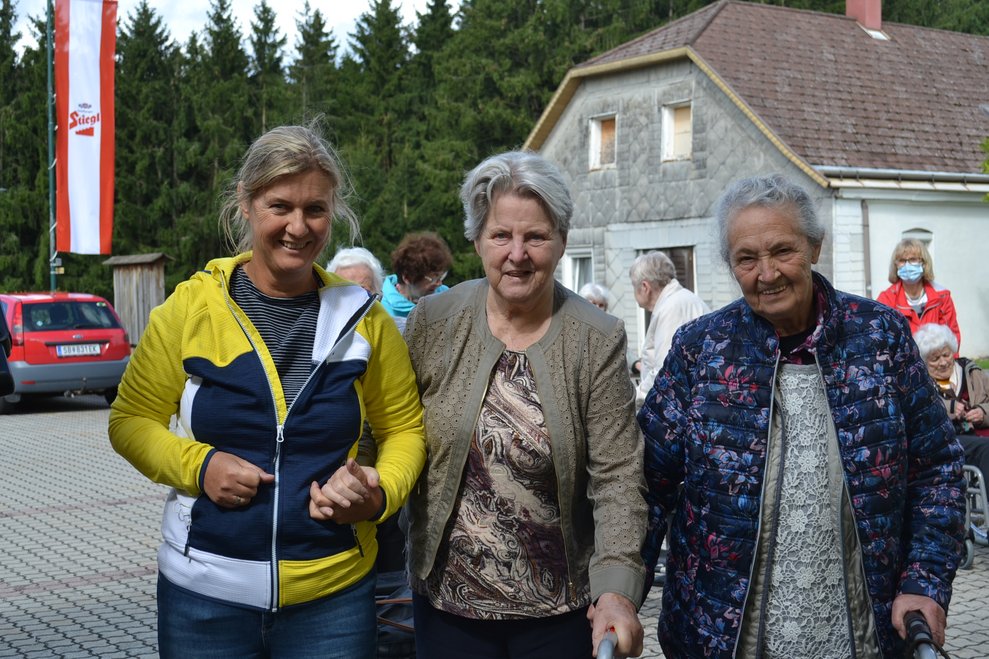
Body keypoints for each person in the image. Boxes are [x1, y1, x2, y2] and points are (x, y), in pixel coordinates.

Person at [108, 124, 427, 659]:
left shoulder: (364, 320)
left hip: (334, 598)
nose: (298, 228)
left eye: (316, 210)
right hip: (203, 597)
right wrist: (200, 466)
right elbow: (130, 420)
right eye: (280, 206)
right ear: (246, 203)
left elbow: (404, 430)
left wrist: (378, 492)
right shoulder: (189, 309)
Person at [638, 174, 965, 658]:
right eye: (746, 258)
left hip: (859, 634)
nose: (766, 273)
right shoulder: (700, 350)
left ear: (815, 247)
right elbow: (646, 486)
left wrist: (924, 579)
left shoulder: (880, 337)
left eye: (782, 251)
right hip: (720, 639)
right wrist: (619, 594)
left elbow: (937, 469)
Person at [404, 151, 647, 659]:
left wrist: (617, 589)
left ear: (561, 241)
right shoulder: (434, 321)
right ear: (476, 240)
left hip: (560, 614)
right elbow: (393, 431)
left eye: (535, 237)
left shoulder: (595, 338)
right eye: (501, 236)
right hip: (448, 608)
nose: (517, 253)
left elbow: (618, 476)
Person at [629, 250, 710, 406]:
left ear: (645, 287)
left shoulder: (672, 307)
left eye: (634, 285)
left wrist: (633, 397)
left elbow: (665, 369)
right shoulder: (676, 301)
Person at [914, 323, 989, 481]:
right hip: (950, 441)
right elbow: (922, 416)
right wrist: (950, 408)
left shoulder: (972, 371)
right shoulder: (921, 382)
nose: (943, 363)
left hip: (982, 432)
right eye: (935, 359)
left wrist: (983, 412)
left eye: (946, 355)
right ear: (925, 361)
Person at [877, 238, 961, 348]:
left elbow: (952, 338)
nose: (907, 265)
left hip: (936, 362)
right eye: (902, 260)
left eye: (913, 259)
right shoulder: (886, 299)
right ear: (896, 265)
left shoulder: (942, 296)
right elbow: (881, 340)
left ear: (924, 263)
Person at [381, 231, 453, 334]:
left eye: (441, 276)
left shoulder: (446, 295)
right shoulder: (383, 310)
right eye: (432, 279)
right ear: (407, 278)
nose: (439, 283)